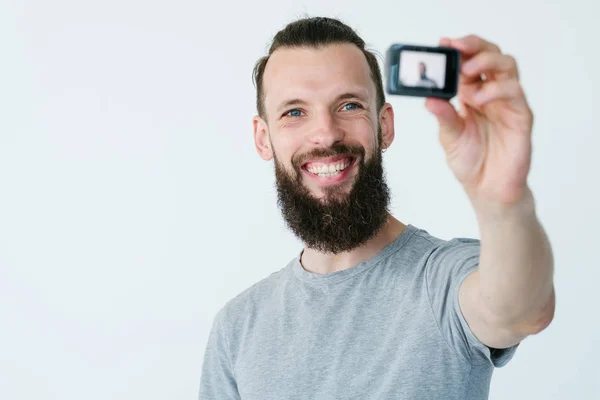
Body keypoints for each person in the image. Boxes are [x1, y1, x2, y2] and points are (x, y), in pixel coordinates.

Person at [199, 16, 555, 400]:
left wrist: (505, 200)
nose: (326, 134)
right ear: (263, 138)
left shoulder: (444, 281)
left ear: (384, 125)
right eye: (295, 112)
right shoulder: (237, 327)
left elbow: (520, 310)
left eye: (349, 105)